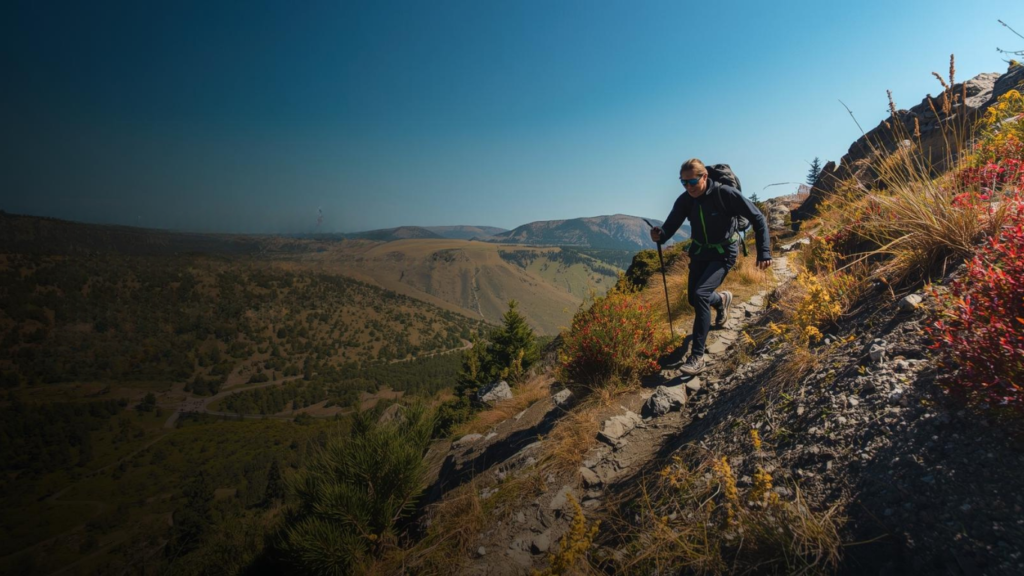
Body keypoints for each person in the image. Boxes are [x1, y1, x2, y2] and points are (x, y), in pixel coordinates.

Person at [650, 158, 772, 376]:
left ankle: (697, 357)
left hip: (724, 252)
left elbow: (758, 218)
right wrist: (660, 235)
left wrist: (764, 252)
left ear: (704, 176)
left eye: (692, 181)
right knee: (693, 298)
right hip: (700, 252)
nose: (688, 187)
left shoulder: (725, 194)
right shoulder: (685, 200)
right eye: (683, 182)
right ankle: (722, 300)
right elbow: (670, 226)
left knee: (701, 295)